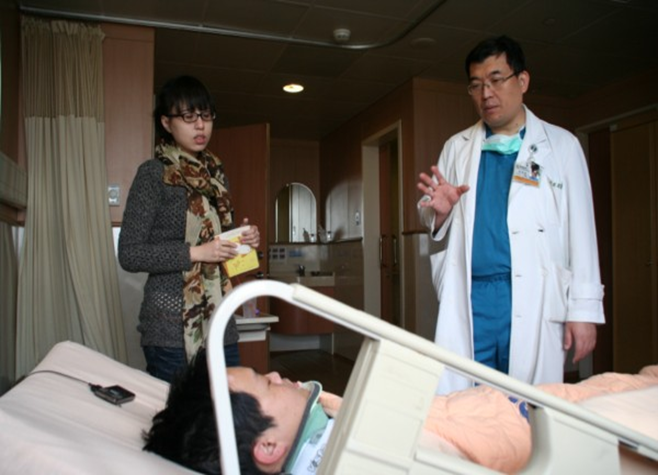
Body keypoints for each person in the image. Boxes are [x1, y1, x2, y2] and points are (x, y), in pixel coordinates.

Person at [417, 35, 605, 394]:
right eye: (476, 85)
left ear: (522, 81)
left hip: (533, 293)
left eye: (496, 80)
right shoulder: (456, 148)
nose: (486, 93)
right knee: (468, 403)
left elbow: (582, 232)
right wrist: (439, 213)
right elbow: (433, 221)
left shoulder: (561, 146)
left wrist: (583, 312)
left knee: (528, 406)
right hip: (472, 297)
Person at [143, 348, 658, 474]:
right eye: (264, 382)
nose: (277, 375)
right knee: (627, 398)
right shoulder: (346, 457)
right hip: (522, 427)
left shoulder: (319, 428)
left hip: (500, 408)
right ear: (269, 446)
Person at [118, 75, 260, 383]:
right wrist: (197, 253)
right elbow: (129, 254)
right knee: (180, 412)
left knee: (227, 406)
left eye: (206, 116)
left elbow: (221, 249)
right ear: (166, 123)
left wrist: (243, 240)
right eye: (188, 116)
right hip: (169, 327)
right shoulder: (153, 174)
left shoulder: (216, 176)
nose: (200, 125)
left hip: (221, 320)